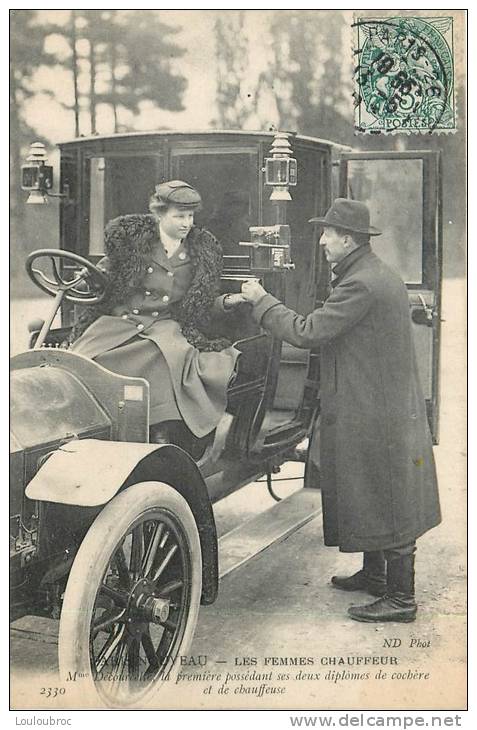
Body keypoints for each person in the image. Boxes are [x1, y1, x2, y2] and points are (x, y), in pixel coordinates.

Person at [241, 198, 441, 623]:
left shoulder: (360, 284)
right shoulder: (370, 273)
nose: (322, 241)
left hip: (376, 410)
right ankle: (376, 576)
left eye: (327, 234)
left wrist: (262, 300)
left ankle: (401, 599)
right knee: (374, 487)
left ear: (347, 240)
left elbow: (307, 331)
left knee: (389, 495)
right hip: (378, 404)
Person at [71, 180, 245, 453]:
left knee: (165, 362)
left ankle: (159, 431)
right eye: (179, 216)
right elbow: (105, 275)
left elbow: (200, 300)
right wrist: (86, 280)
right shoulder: (133, 246)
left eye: (190, 216)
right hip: (122, 322)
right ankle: (89, 428)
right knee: (83, 361)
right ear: (159, 215)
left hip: (164, 328)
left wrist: (228, 301)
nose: (187, 223)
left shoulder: (199, 253)